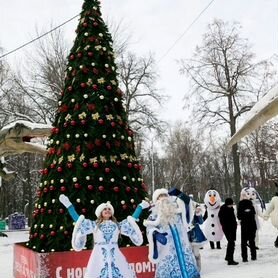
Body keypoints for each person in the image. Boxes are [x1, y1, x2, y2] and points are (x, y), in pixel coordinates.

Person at [59, 194, 147, 278]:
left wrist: (140, 207)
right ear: (100, 212)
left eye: (109, 209)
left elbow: (131, 221)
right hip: (98, 255)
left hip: (115, 254)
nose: (107, 210)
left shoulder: (117, 225)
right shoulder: (94, 225)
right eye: (105, 209)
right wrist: (69, 206)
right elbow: (79, 221)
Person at [144, 188, 200, 278]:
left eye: (165, 195)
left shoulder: (178, 211)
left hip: (183, 248)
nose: (163, 198)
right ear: (156, 201)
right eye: (160, 197)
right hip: (166, 252)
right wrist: (155, 234)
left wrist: (179, 193)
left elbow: (187, 204)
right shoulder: (153, 216)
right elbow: (149, 228)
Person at [237, 189, 257, 262]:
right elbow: (253, 213)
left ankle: (244, 258)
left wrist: (243, 215)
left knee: (243, 243)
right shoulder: (250, 203)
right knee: (252, 241)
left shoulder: (240, 204)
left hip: (244, 225)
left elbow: (239, 216)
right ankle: (254, 256)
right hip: (252, 225)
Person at [218, 198, 238, 265]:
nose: (231, 205)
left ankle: (227, 257)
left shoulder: (230, 208)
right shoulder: (223, 210)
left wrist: (235, 224)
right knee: (231, 243)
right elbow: (222, 220)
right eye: (230, 204)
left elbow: (233, 217)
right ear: (227, 204)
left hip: (232, 228)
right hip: (228, 229)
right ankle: (230, 260)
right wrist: (229, 224)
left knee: (231, 243)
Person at [188, 205, 207, 271]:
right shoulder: (182, 211)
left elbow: (201, 222)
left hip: (195, 234)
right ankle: (192, 268)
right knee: (189, 253)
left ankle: (198, 268)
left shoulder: (194, 212)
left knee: (196, 253)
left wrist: (198, 213)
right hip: (186, 235)